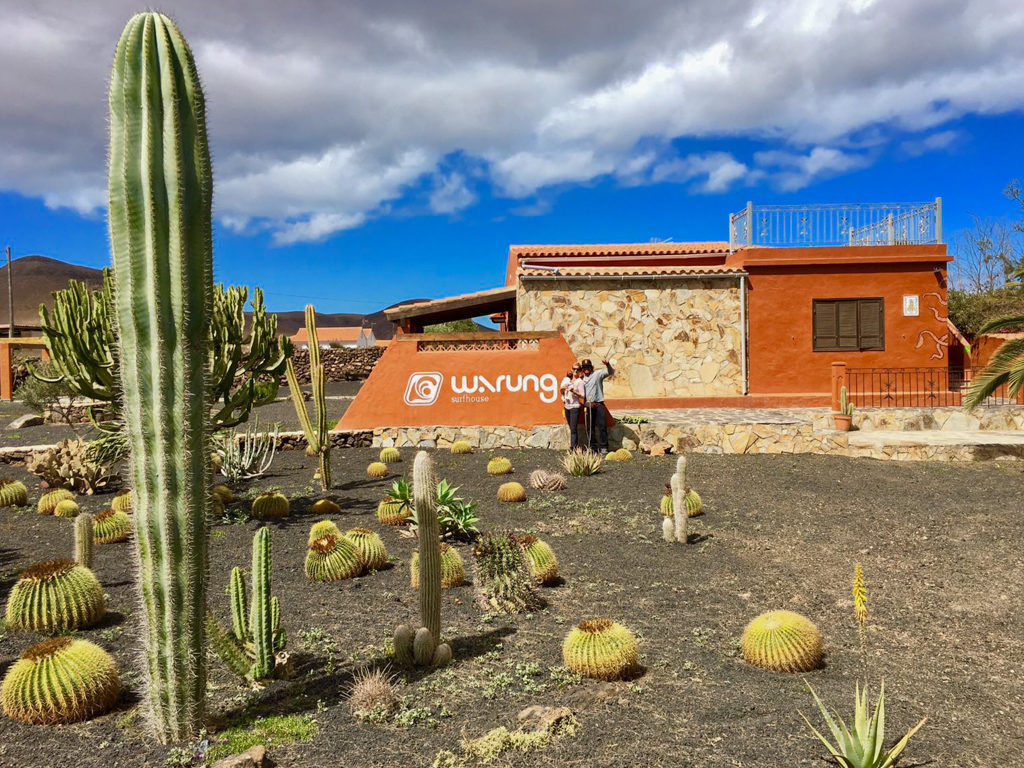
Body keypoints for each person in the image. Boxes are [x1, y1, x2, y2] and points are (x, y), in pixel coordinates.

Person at [581, 358, 614, 453]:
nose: (586, 369)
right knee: (589, 428)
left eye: (588, 367)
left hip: (599, 404)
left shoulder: (598, 374)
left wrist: (607, 364)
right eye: (584, 367)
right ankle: (592, 447)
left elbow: (611, 372)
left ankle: (604, 447)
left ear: (591, 367)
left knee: (602, 426)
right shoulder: (581, 379)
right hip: (588, 406)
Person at [560, 363, 586, 450]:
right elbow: (562, 392)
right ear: (571, 369)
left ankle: (574, 448)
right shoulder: (567, 380)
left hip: (575, 407)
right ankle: (574, 446)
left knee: (574, 428)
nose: (575, 371)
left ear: (580, 371)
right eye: (574, 369)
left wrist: (574, 392)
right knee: (571, 428)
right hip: (567, 406)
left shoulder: (580, 382)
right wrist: (562, 389)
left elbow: (582, 396)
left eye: (578, 369)